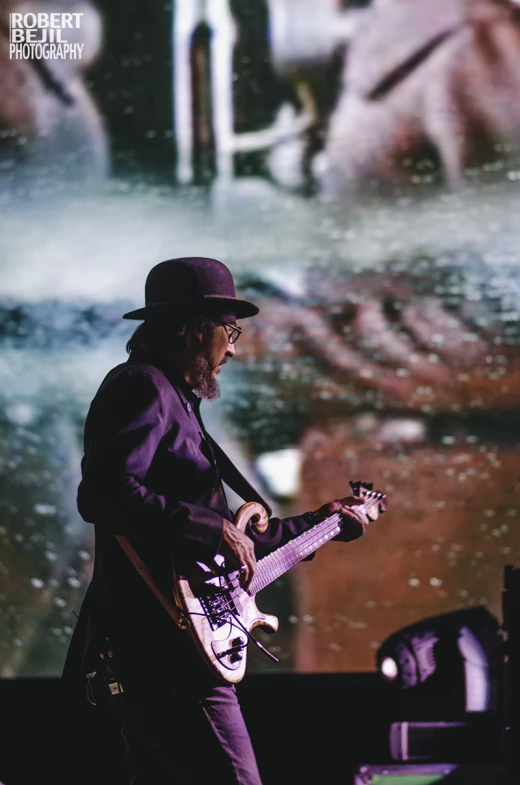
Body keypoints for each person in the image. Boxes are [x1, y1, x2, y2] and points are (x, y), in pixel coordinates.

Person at [61, 256, 372, 785]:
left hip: (174, 647)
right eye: (230, 331)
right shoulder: (142, 386)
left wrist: (327, 521)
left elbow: (244, 541)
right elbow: (104, 492)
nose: (233, 347)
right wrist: (212, 527)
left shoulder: (178, 403)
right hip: (163, 648)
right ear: (191, 327)